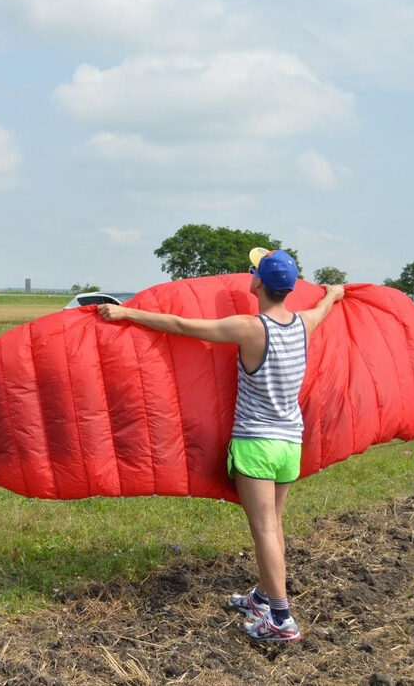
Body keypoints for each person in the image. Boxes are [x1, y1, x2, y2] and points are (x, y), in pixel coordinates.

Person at [98, 248, 344, 642]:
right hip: (289, 445)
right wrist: (333, 294)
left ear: (258, 283)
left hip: (257, 446)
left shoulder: (250, 328)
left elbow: (181, 325)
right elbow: (325, 308)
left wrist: (127, 314)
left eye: (254, 271)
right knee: (274, 524)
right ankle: (264, 596)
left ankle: (281, 619)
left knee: (264, 529)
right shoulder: (303, 324)